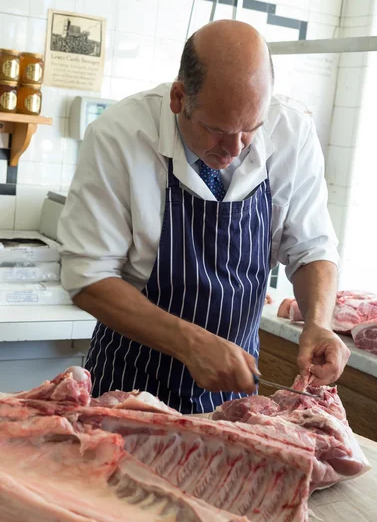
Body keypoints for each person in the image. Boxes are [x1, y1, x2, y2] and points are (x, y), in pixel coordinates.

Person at [58, 20, 350, 414]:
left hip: (235, 395)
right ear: (179, 97)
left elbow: (311, 246)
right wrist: (190, 343)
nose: (234, 149)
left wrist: (318, 321)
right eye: (217, 130)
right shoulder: (119, 136)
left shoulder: (292, 133)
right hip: (129, 389)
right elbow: (88, 278)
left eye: (251, 129)